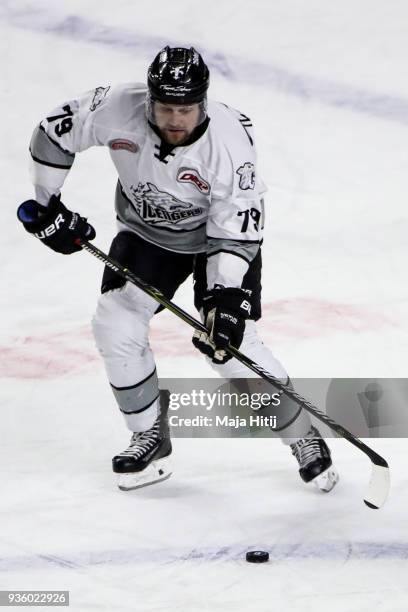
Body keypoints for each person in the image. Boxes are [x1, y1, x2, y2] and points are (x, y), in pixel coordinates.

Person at [17, 46, 339, 493]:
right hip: (148, 234)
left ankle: (300, 432)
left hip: (217, 241)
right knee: (115, 321)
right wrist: (47, 203)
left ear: (202, 103)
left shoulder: (229, 147)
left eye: (184, 109)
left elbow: (237, 229)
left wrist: (226, 298)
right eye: (165, 106)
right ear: (149, 98)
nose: (173, 119)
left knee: (228, 344)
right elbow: (54, 133)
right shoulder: (115, 106)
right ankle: (149, 433)